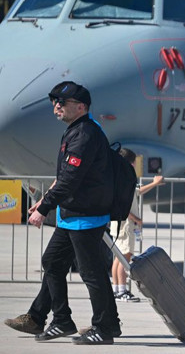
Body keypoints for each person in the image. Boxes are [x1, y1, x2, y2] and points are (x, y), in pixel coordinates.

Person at [20, 81, 121, 345]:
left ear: (81, 107)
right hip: (73, 215)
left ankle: (105, 328)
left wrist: (44, 208)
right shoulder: (76, 131)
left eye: (62, 102)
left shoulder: (85, 134)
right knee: (52, 263)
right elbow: (65, 175)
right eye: (55, 102)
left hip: (85, 216)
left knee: (92, 274)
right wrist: (43, 200)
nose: (56, 106)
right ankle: (63, 320)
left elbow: (70, 180)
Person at [111, 148, 164, 303]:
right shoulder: (123, 179)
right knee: (124, 258)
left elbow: (136, 192)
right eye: (133, 162)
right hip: (126, 224)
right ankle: (122, 290)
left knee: (118, 258)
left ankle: (116, 289)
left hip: (119, 223)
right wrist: (136, 219)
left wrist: (154, 184)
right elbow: (122, 205)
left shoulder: (119, 177)